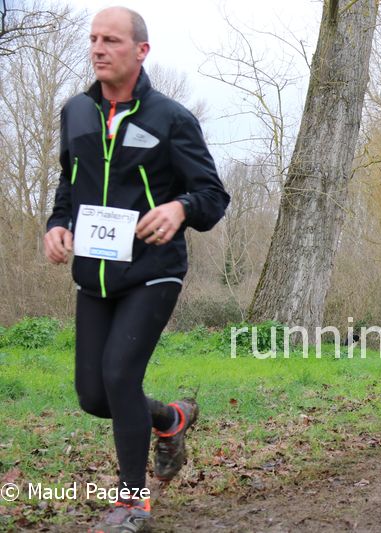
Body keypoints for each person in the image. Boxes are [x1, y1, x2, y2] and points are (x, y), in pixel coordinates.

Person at [43, 7, 229, 532]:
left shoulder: (171, 119)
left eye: (112, 40)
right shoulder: (76, 112)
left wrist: (180, 208)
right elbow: (69, 182)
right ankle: (170, 418)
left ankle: (131, 502)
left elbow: (213, 197)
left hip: (152, 270)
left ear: (141, 50)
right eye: (94, 39)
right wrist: (57, 224)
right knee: (93, 395)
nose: (98, 49)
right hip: (94, 275)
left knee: (120, 375)